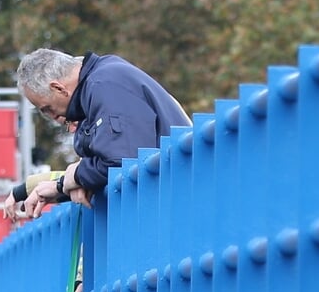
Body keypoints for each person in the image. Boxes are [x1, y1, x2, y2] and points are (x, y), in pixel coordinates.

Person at [12, 48, 190, 221]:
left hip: (175, 203)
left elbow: (121, 159)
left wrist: (74, 178)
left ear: (58, 88)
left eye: (48, 109)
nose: (53, 117)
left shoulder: (104, 86)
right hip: (172, 195)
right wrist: (76, 182)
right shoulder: (101, 82)